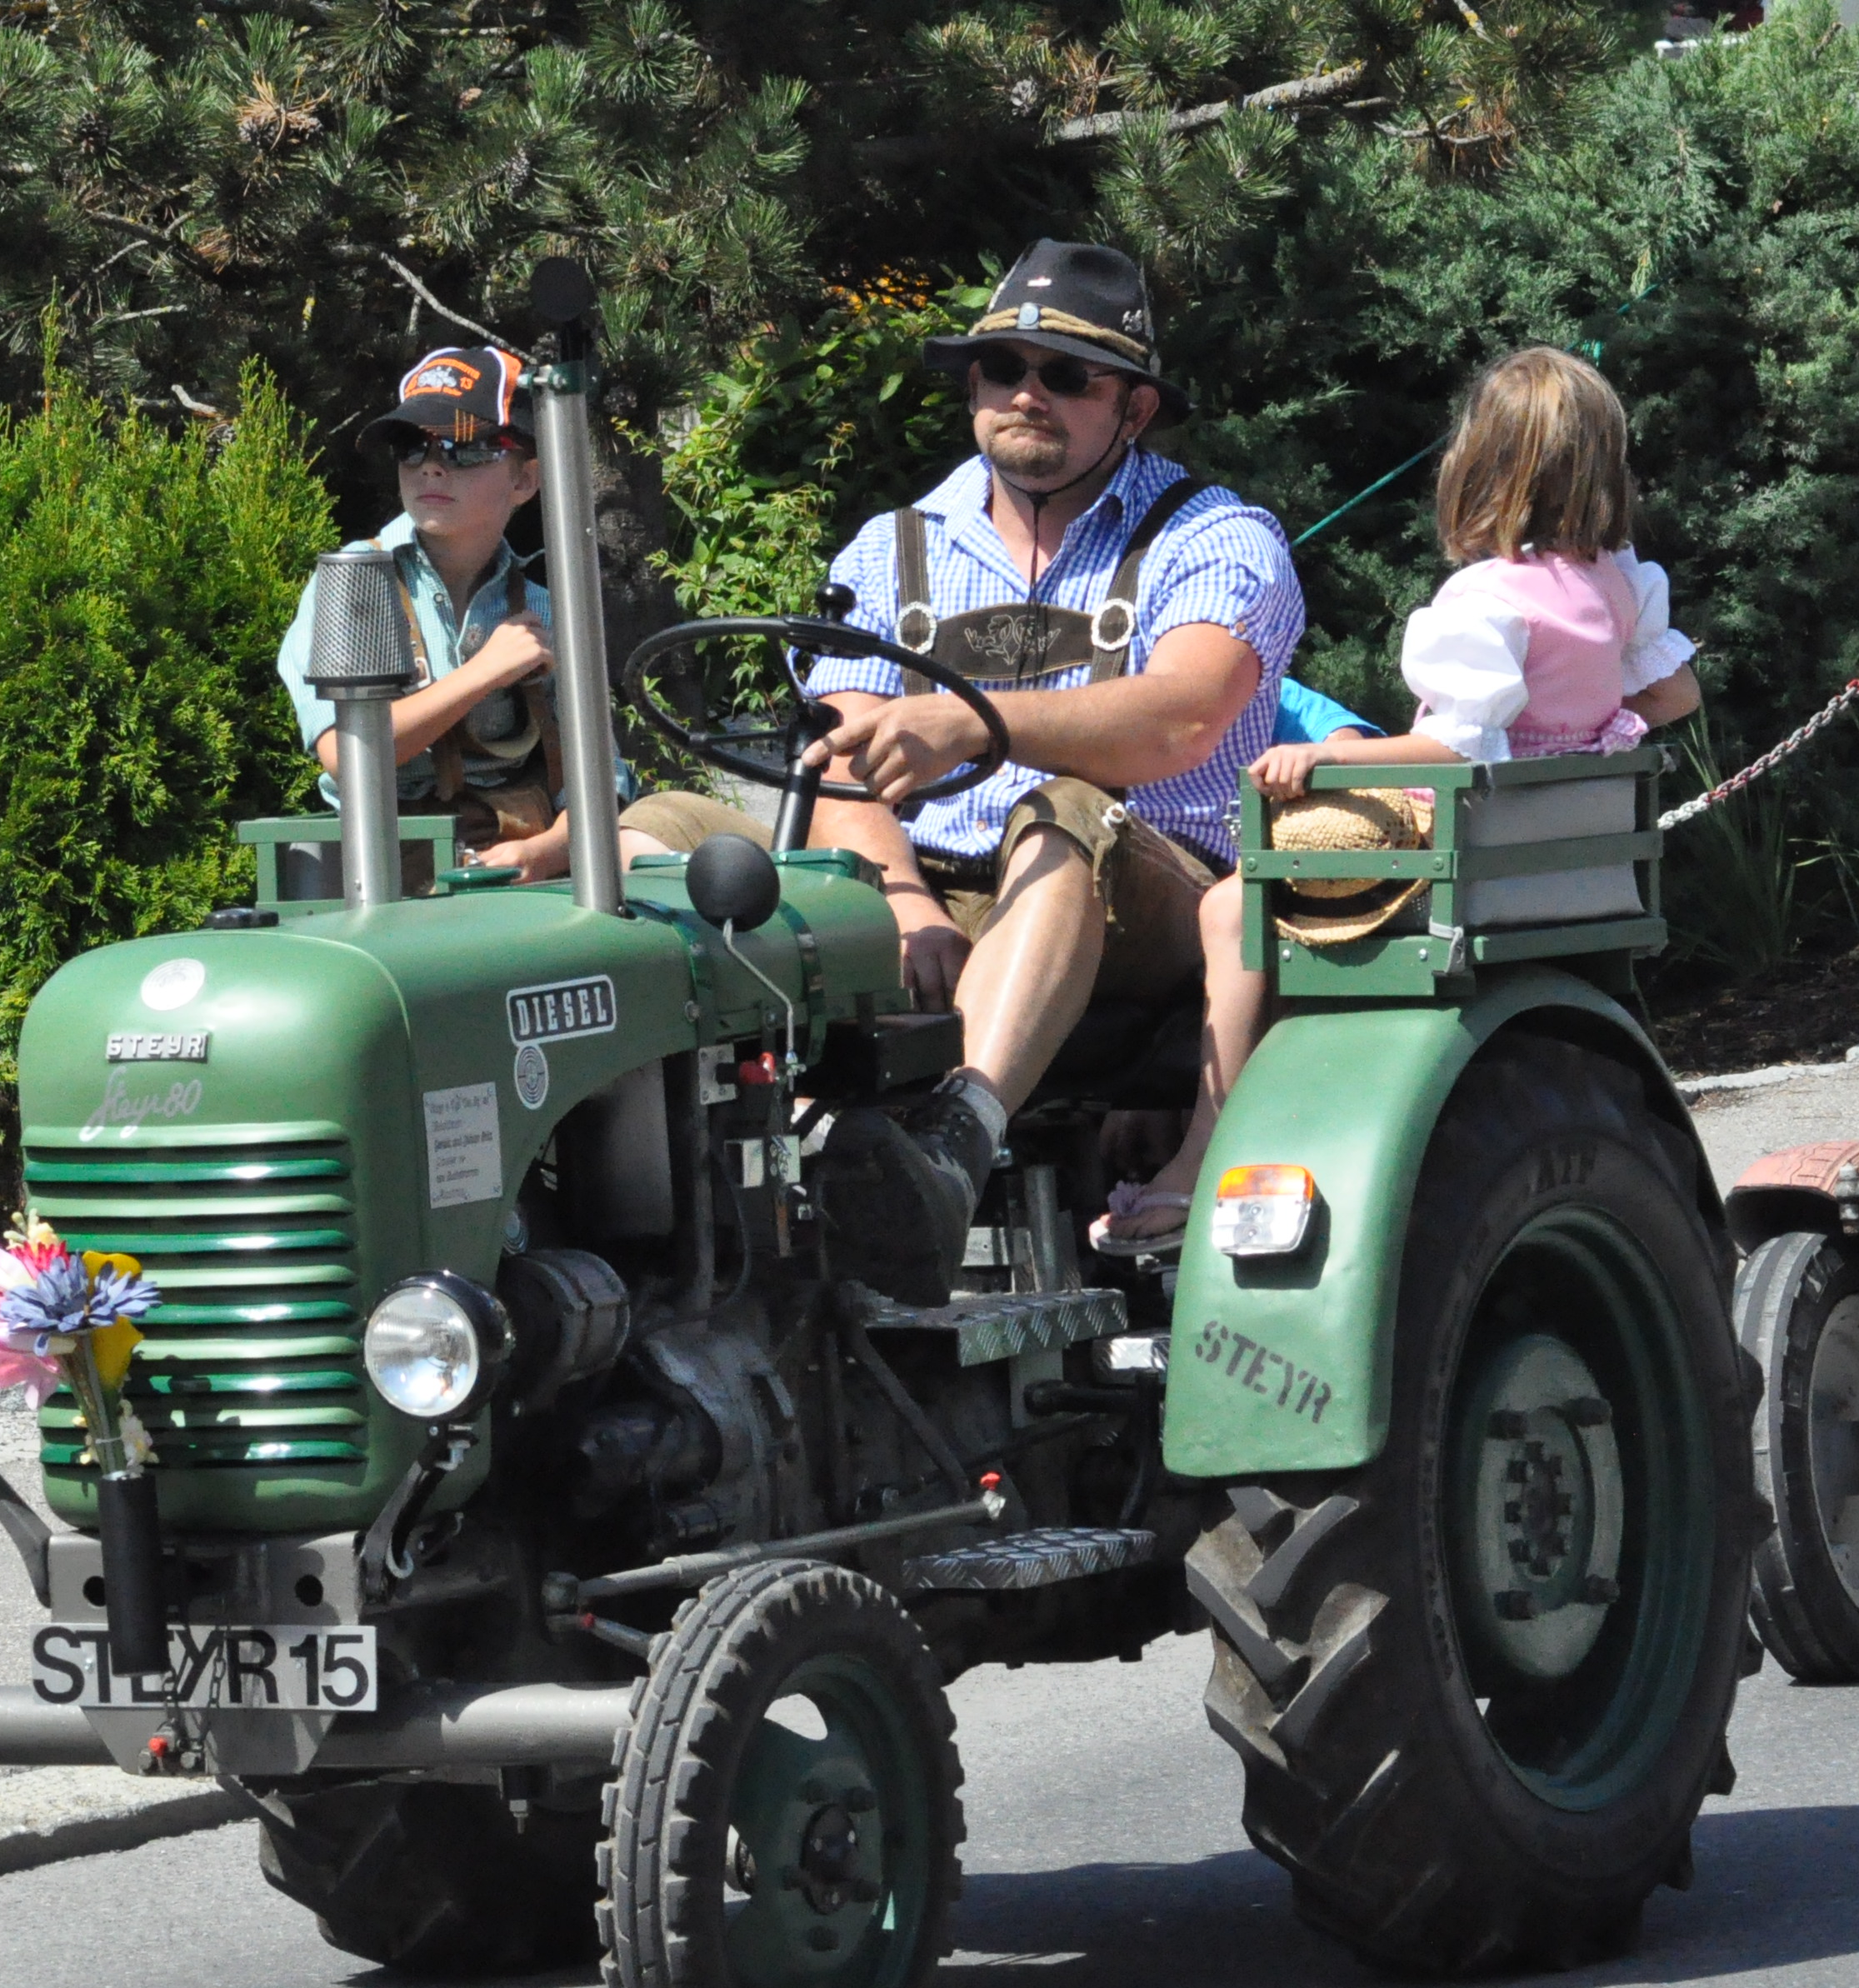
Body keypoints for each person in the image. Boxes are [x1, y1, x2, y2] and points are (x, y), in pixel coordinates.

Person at [628, 240, 1304, 1298]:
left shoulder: (1216, 535)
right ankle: (655, 1192)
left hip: (1146, 899)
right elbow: (840, 753)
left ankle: (949, 1152)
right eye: (1000, 368)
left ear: (1134, 409)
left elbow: (1177, 720)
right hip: (923, 891)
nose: (1026, 394)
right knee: (662, 827)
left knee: (1061, 810)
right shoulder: (889, 549)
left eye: (1066, 374)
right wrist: (903, 901)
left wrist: (973, 727)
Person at [1097, 345, 1699, 1256]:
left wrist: (1317, 759)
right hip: (1544, 847)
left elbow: (1457, 746)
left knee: (1230, 905)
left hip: (1459, 844)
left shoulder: (1485, 600)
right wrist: (1591, 726)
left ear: (1480, 464)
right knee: (1283, 866)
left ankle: (1201, 1147)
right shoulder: (1620, 583)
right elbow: (1673, 695)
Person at [277, 346, 577, 880]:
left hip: (523, 866)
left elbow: (599, 776)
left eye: (464, 447)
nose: (431, 466)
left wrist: (546, 852)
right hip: (385, 874)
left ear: (524, 481)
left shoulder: (545, 608)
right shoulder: (354, 582)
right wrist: (484, 673)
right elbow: (349, 758)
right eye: (411, 447)